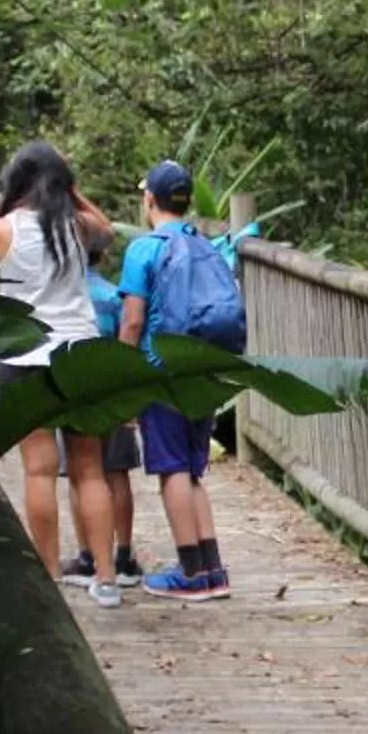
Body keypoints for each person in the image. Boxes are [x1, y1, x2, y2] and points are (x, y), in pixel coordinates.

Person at [0, 142, 124, 602]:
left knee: (39, 471)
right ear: (62, 185)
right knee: (89, 469)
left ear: (17, 186)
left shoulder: (1, 230)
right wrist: (75, 193)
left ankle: (49, 576)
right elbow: (108, 232)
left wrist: (2, 196)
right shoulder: (77, 226)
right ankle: (107, 579)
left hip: (25, 355)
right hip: (80, 354)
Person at [117, 158, 244, 600]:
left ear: (149, 199)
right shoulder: (204, 243)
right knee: (192, 470)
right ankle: (212, 570)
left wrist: (121, 377)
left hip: (162, 369)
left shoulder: (144, 249)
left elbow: (132, 322)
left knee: (171, 468)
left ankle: (189, 574)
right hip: (203, 366)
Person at [59, 257, 144, 593]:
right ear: (103, 257)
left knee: (82, 473)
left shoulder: (65, 297)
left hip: (77, 390)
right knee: (116, 471)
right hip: (112, 388)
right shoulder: (114, 296)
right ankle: (123, 556)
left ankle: (88, 556)